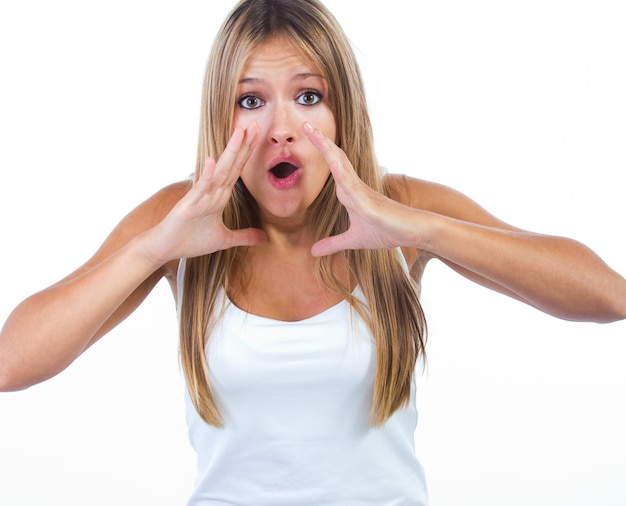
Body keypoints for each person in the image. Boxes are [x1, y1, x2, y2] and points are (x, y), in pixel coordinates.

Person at [0, 0, 624, 504]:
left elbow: (607, 296)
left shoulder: (402, 204)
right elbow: (11, 363)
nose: (282, 127)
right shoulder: (180, 218)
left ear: (342, 111)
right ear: (221, 117)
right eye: (251, 100)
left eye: (308, 96)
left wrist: (422, 230)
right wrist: (150, 250)